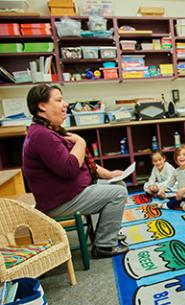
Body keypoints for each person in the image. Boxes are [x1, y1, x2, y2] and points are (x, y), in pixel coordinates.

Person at [22, 84, 128, 258]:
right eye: (58, 100)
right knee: (118, 193)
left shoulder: (48, 131)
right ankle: (104, 246)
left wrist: (109, 174)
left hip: (71, 192)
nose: (65, 104)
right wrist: (81, 143)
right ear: (42, 106)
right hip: (60, 201)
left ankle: (106, 233)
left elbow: (82, 162)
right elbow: (70, 169)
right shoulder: (42, 135)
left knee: (118, 182)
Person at [159, 145, 185, 209]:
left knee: (176, 196)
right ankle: (183, 204)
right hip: (180, 194)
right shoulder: (176, 171)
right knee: (168, 191)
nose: (181, 157)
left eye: (184, 155)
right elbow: (170, 184)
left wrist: (182, 190)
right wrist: (163, 190)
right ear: (176, 158)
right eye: (179, 155)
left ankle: (166, 205)